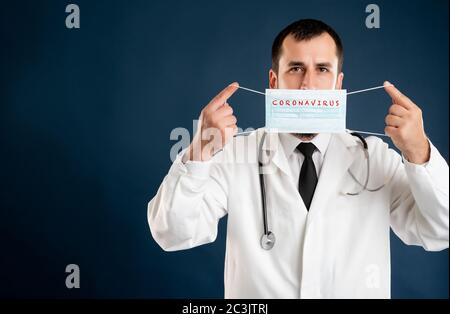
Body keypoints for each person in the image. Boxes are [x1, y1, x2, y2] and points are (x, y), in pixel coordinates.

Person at [147, 19, 449, 298]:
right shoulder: (236, 156)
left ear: (339, 83)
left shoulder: (375, 158)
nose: (308, 84)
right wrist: (200, 149)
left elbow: (440, 231)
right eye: (295, 68)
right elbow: (171, 232)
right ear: (273, 80)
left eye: (322, 69)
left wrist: (418, 151)